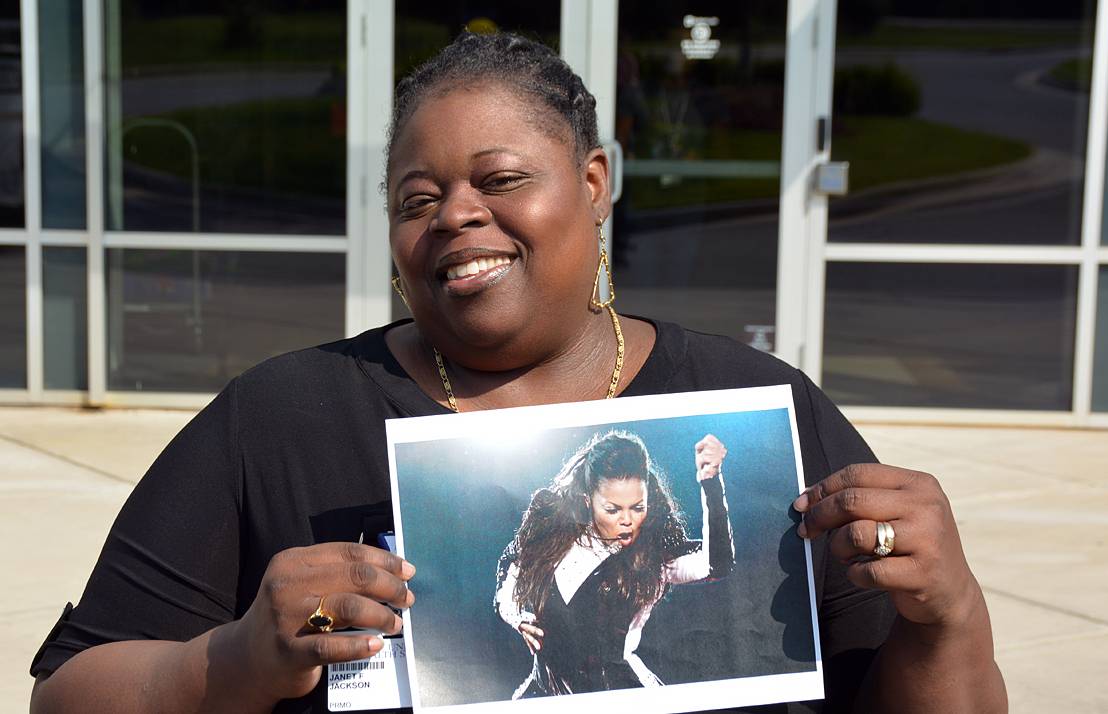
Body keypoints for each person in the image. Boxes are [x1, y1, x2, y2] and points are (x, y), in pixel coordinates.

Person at [29, 31, 1006, 713]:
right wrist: (236, 661)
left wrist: (946, 617)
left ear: (592, 184)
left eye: (499, 180)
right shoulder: (280, 419)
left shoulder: (763, 410)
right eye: (419, 197)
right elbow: (68, 696)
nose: (455, 214)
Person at [494, 431, 733, 696]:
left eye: (638, 507)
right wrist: (518, 619)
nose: (628, 520)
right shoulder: (551, 533)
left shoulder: (654, 555)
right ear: (588, 501)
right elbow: (510, 572)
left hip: (616, 694)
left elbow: (717, 563)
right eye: (613, 510)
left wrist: (711, 484)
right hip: (543, 691)